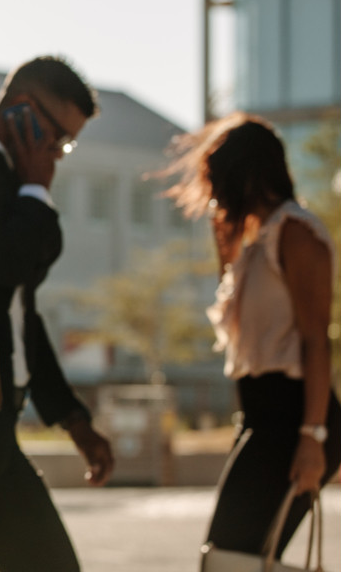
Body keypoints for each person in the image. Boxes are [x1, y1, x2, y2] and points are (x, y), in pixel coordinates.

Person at [0, 57, 114, 572]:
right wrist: (37, 186)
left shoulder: (13, 183)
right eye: (58, 137)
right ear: (21, 110)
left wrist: (72, 418)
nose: (57, 154)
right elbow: (7, 260)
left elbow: (20, 314)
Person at [162, 112, 340, 562]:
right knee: (234, 557)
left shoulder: (297, 233)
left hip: (296, 417)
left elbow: (316, 342)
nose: (213, 192)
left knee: (231, 557)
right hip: (262, 416)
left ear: (248, 174)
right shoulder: (256, 241)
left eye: (219, 178)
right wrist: (227, 240)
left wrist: (313, 437)